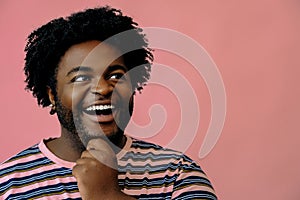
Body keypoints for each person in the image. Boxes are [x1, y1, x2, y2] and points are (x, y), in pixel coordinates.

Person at [0, 6, 217, 200]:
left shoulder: (179, 175)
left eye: (115, 75)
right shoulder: (8, 184)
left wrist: (107, 196)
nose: (103, 89)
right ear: (52, 96)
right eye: (81, 78)